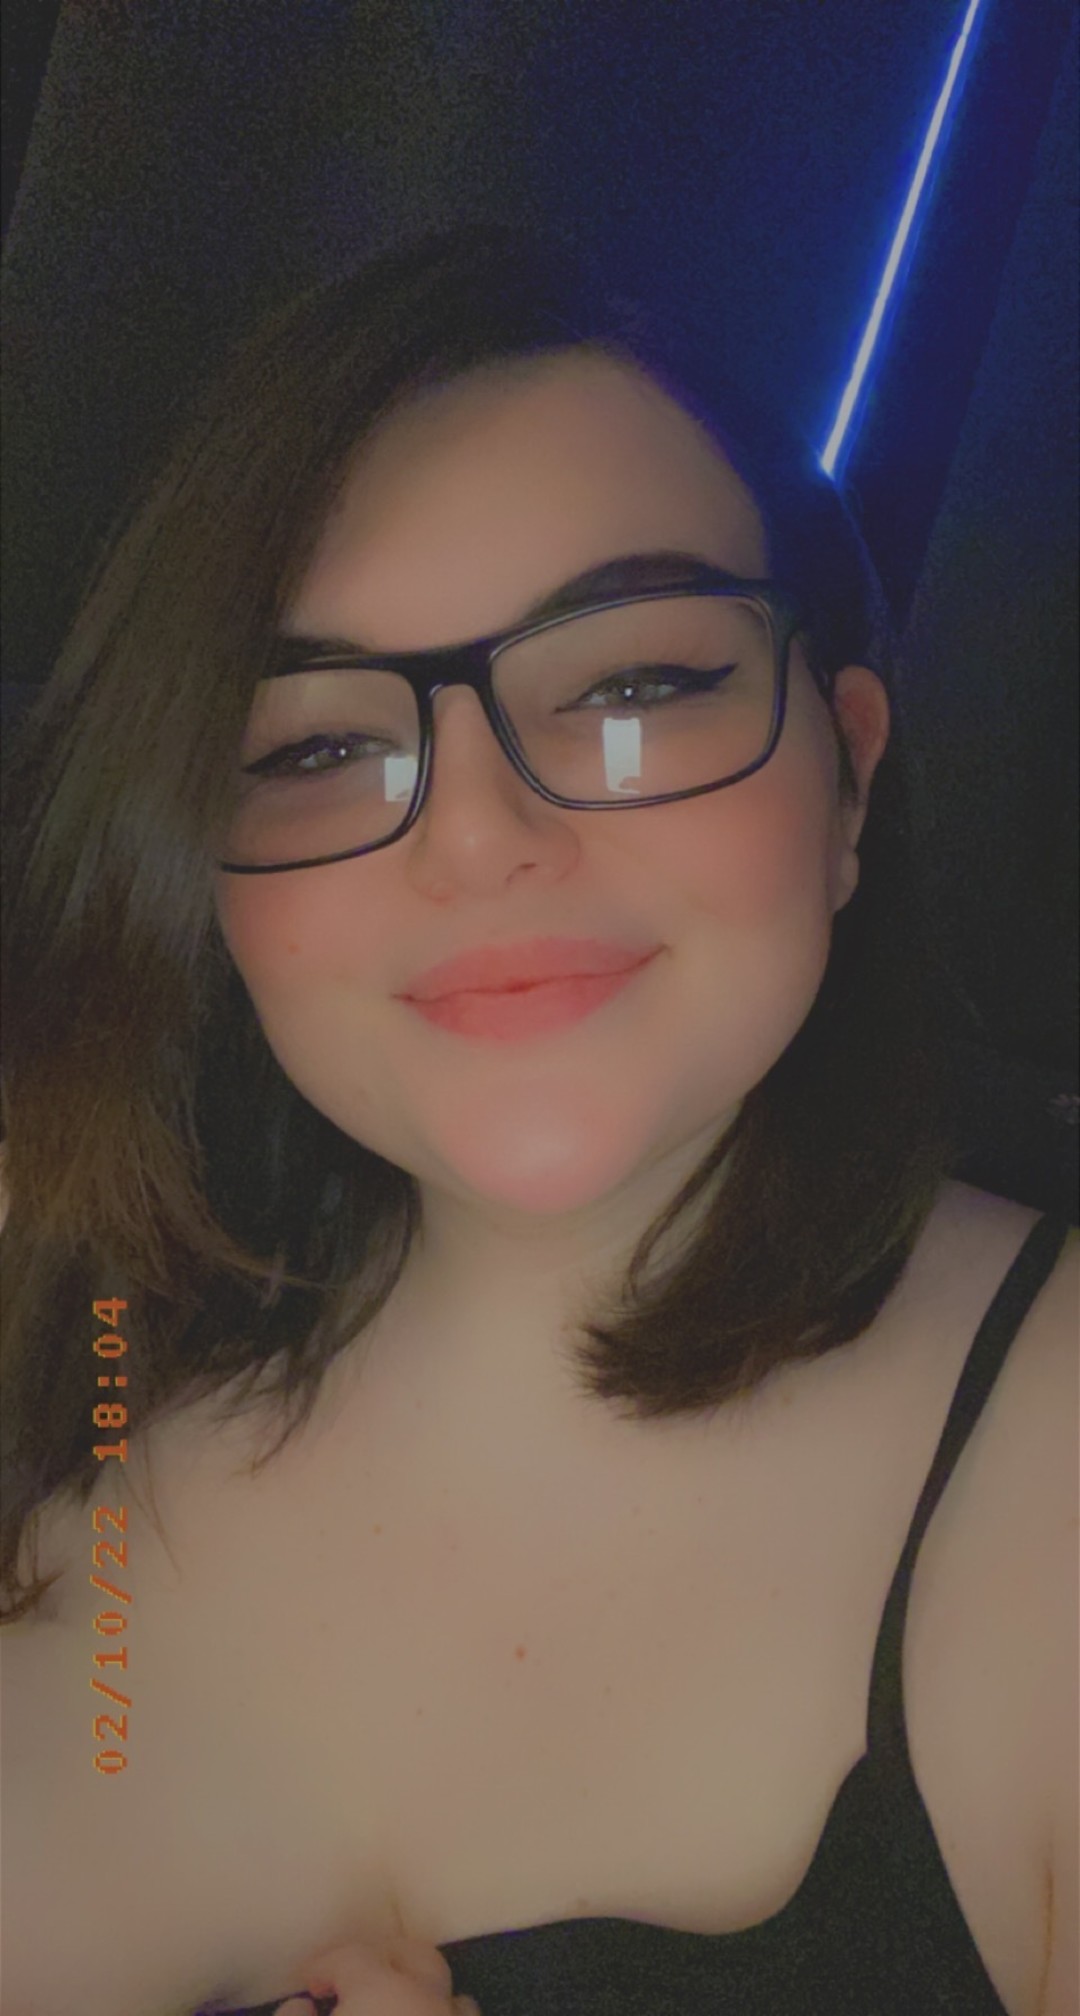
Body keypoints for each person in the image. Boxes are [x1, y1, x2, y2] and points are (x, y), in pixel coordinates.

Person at [0, 222, 1075, 2016]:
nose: (482, 834)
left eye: (636, 687)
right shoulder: (72, 1348)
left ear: (848, 776)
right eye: (318, 746)